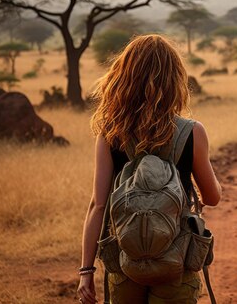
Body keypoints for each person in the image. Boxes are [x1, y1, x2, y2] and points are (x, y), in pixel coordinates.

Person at [78, 35, 222, 304]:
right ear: (174, 79)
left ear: (124, 77)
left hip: (125, 263)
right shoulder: (192, 131)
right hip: (176, 264)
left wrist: (86, 271)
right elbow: (212, 197)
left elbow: (98, 206)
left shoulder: (110, 133)